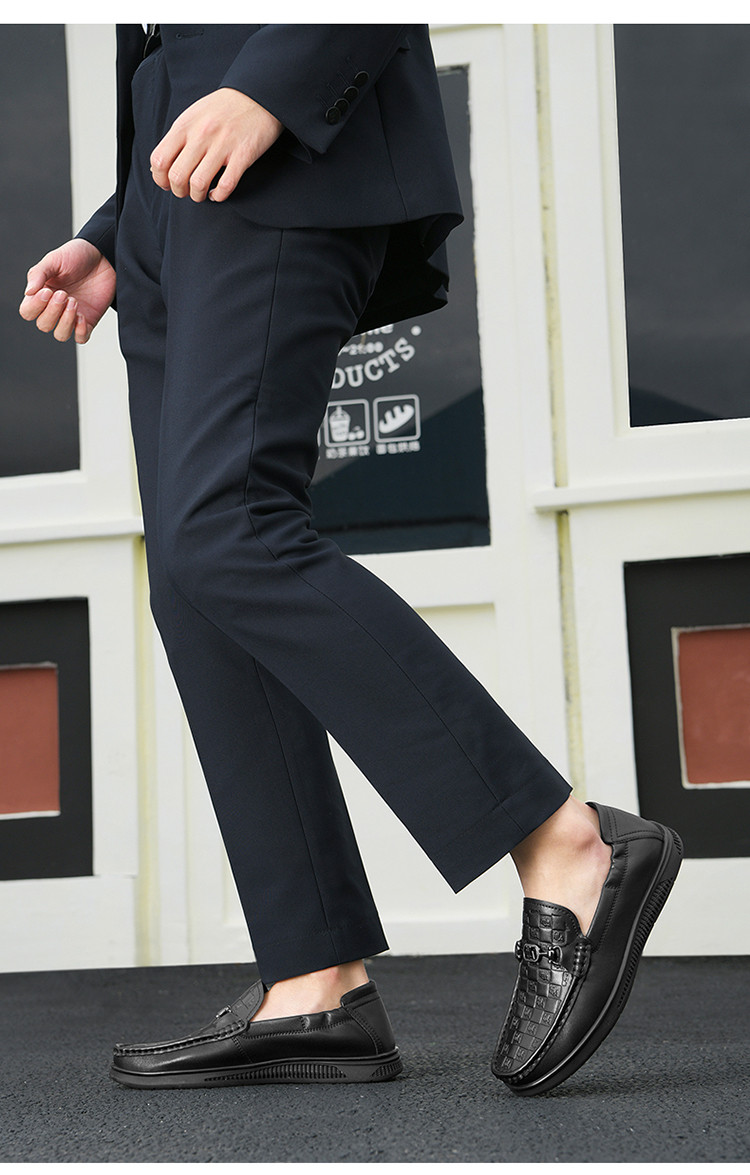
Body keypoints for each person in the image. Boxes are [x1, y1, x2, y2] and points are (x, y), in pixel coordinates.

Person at [18, 24, 682, 1095]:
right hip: (171, 177)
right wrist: (120, 220)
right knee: (193, 578)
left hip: (279, 136)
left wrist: (273, 89)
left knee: (229, 525)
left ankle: (565, 839)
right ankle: (313, 976)